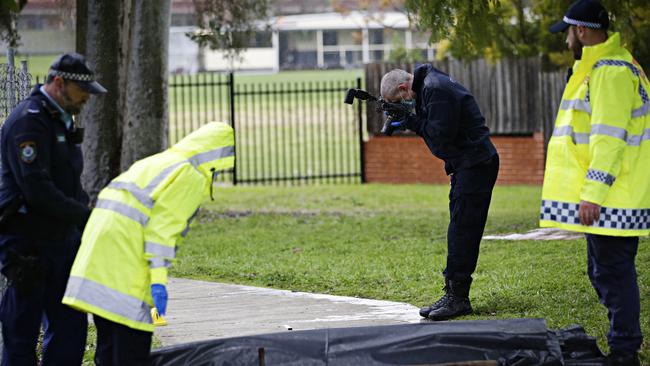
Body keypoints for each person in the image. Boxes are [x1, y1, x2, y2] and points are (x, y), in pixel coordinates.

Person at [62, 121, 234, 365]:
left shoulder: (156, 163)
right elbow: (161, 234)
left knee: (107, 352)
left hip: (98, 268)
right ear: (219, 156)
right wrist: (158, 283)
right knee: (131, 353)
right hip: (127, 275)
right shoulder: (189, 175)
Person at [541, 1, 648, 365]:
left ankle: (624, 352)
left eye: (569, 31)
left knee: (614, 274)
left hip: (612, 197)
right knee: (605, 271)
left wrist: (592, 194)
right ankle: (623, 345)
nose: (567, 39)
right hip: (617, 194)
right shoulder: (609, 66)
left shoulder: (610, 72)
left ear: (582, 31)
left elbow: (609, 140)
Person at [0, 53, 106, 365]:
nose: (87, 97)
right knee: (22, 332)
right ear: (59, 83)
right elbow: (37, 190)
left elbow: (68, 181)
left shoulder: (59, 117)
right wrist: (85, 216)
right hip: (27, 242)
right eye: (81, 90)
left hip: (60, 239)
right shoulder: (29, 121)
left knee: (69, 328)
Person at [380, 65, 499, 320]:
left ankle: (458, 298)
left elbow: (439, 138)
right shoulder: (431, 86)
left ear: (403, 88)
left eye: (397, 101)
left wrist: (411, 121)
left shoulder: (435, 90)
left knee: (462, 229)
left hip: (474, 164)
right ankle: (454, 293)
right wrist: (412, 119)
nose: (403, 105)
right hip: (468, 163)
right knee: (459, 226)